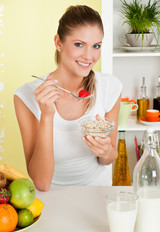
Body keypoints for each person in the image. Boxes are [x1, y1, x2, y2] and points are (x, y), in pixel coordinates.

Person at [14, 5, 122, 191]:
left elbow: (109, 159)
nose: (89, 56)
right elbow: (41, 182)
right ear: (58, 43)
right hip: (51, 199)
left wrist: (105, 150)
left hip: (98, 194)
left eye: (96, 46)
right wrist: (47, 116)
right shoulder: (26, 97)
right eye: (79, 44)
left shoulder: (110, 87)